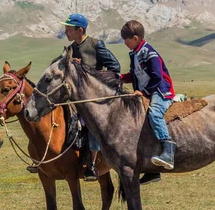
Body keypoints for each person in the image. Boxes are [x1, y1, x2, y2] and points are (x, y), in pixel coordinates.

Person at [60, 13, 121, 182]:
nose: (65, 32)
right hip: (74, 97)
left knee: (93, 124)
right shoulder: (70, 49)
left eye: (68, 29)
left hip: (93, 98)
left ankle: (92, 164)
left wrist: (85, 70)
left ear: (80, 30)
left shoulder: (96, 45)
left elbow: (115, 67)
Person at [119, 20, 176, 184]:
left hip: (160, 91)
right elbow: (134, 75)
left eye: (126, 40)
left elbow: (157, 77)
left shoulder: (149, 52)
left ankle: (168, 151)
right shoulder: (136, 54)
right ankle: (152, 169)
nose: (124, 43)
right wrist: (119, 78)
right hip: (148, 91)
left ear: (135, 38)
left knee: (155, 113)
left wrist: (143, 92)